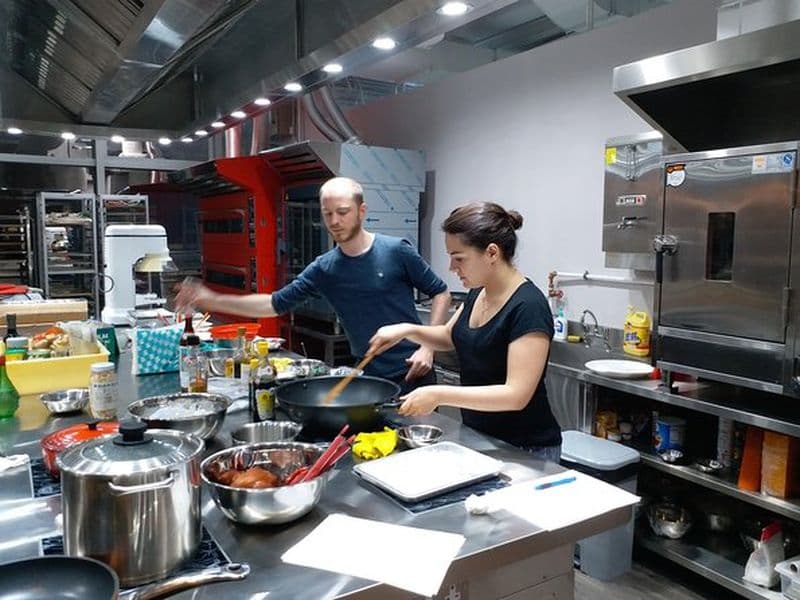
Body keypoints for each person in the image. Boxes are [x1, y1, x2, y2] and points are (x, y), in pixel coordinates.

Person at [176, 176, 451, 393]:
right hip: (368, 375)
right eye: (327, 213)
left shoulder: (396, 251)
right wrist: (211, 299)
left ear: (362, 211)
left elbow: (440, 292)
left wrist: (427, 347)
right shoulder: (325, 267)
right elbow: (274, 303)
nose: (334, 221)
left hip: (414, 372)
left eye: (342, 212)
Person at [367, 202, 562, 461]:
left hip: (527, 450)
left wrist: (439, 394)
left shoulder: (528, 306)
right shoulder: (478, 291)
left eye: (459, 258)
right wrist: (405, 330)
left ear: (492, 253)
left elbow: (516, 395)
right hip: (481, 438)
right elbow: (449, 336)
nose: (451, 267)